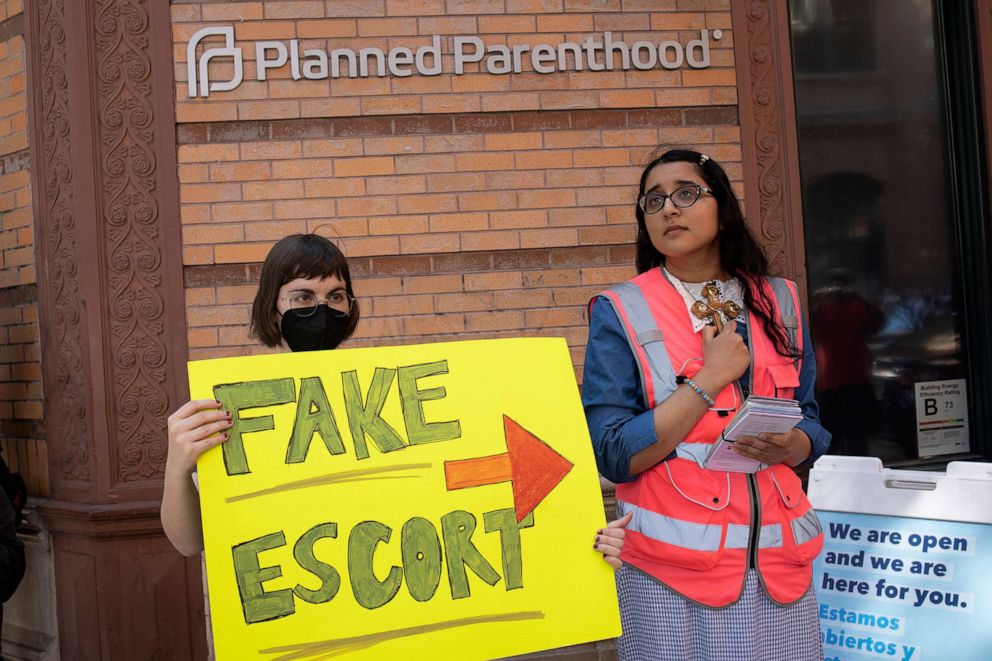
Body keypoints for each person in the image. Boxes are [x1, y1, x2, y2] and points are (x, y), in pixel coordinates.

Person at [161, 233, 628, 568]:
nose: (322, 309)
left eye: (336, 296)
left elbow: (471, 501)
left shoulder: (392, 404)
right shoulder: (237, 411)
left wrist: (579, 534)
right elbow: (188, 542)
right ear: (272, 306)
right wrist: (178, 465)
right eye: (303, 295)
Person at [583, 149, 831, 660]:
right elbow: (612, 453)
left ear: (723, 208)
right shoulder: (622, 308)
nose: (669, 208)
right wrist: (710, 378)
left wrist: (792, 444)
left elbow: (812, 420)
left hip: (780, 570)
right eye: (653, 201)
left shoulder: (779, 299)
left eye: (686, 193)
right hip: (673, 576)